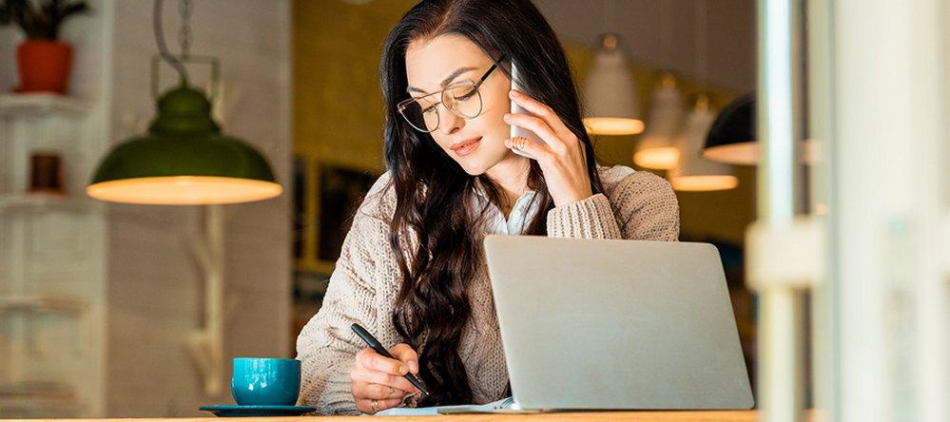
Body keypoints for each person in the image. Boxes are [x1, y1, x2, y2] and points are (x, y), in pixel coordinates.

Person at [295, 0, 680, 415]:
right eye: (425, 105)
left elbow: (625, 373)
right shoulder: (399, 201)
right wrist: (357, 386)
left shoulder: (641, 199)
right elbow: (315, 367)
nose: (446, 125)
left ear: (527, 72)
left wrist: (578, 203)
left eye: (463, 92)